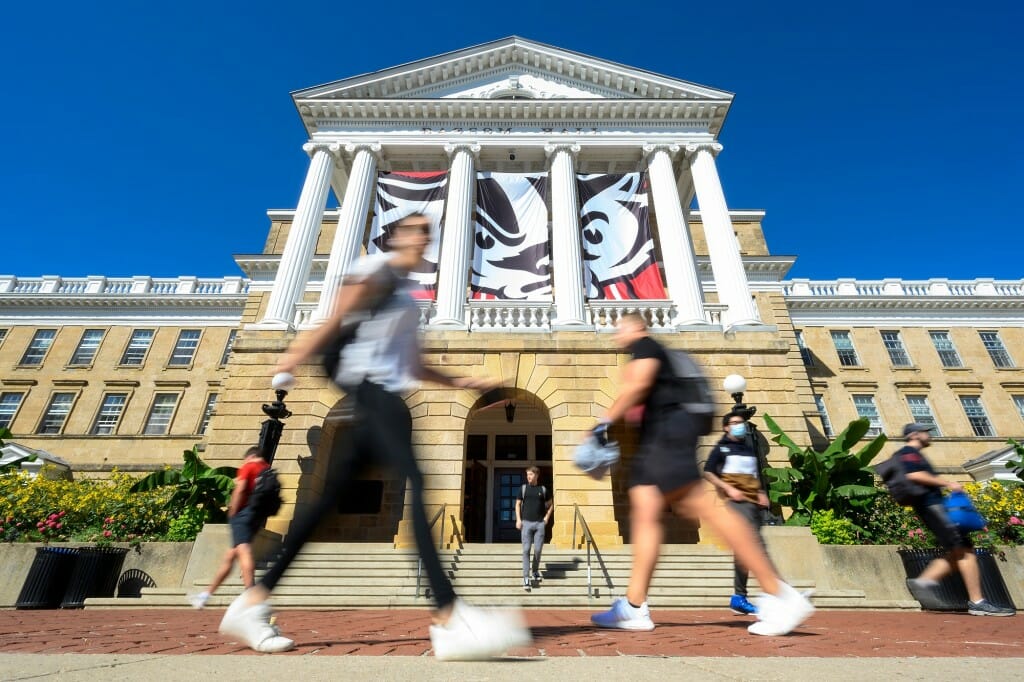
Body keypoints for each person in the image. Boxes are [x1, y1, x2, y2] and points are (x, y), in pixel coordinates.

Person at [218, 213, 532, 656]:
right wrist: (290, 354)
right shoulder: (374, 269)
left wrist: (464, 382)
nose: (423, 238)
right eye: (415, 229)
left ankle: (251, 603)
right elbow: (337, 317)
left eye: (428, 232)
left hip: (384, 391)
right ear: (397, 235)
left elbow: (413, 363)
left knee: (326, 503)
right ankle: (447, 615)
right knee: (418, 483)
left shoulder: (407, 296)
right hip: (368, 390)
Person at [587, 312, 814, 636]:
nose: (616, 334)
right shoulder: (654, 351)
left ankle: (780, 594)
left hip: (667, 436)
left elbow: (638, 384)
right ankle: (634, 606)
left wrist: (601, 424)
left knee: (701, 509)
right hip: (661, 439)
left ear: (638, 326)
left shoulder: (646, 347)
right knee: (646, 509)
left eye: (620, 328)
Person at [897, 423, 1015, 616]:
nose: (929, 435)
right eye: (926, 432)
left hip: (934, 506)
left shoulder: (915, 454)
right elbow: (913, 474)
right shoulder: (909, 452)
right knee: (964, 551)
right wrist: (948, 483)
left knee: (958, 550)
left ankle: (923, 581)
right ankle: (977, 602)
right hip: (931, 507)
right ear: (915, 435)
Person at [703, 413, 772, 616]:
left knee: (744, 551)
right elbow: (708, 471)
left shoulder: (748, 449)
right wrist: (728, 488)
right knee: (756, 545)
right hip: (736, 503)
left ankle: (739, 597)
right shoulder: (721, 448)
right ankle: (777, 593)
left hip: (752, 504)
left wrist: (760, 493)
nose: (739, 426)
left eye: (740, 423)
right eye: (734, 423)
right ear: (726, 427)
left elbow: (753, 474)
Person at [188, 446, 269, 609]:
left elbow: (240, 489)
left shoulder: (249, 466)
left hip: (243, 513)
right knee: (230, 556)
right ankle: (205, 595)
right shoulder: (267, 470)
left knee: (244, 551)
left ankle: (251, 596)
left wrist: (232, 509)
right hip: (257, 516)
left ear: (250, 456)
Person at [515, 466, 552, 591]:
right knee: (526, 550)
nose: (528, 477)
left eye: (530, 474)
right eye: (527, 475)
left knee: (537, 550)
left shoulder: (543, 489)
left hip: (539, 524)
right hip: (526, 524)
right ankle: (526, 577)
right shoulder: (523, 489)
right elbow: (517, 504)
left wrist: (547, 517)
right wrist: (519, 520)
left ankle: (535, 571)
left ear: (536, 475)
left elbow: (550, 504)